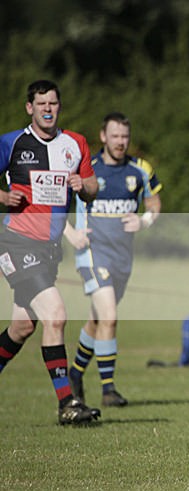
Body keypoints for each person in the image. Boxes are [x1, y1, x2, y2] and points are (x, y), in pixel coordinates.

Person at [0, 79, 101, 424]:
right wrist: (2, 197)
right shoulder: (11, 143)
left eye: (53, 103)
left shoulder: (76, 144)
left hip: (49, 251)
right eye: (41, 103)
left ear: (59, 106)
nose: (47, 109)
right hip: (15, 243)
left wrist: (82, 185)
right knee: (55, 315)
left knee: (22, 328)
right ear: (29, 107)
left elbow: (92, 187)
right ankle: (67, 405)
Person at [63, 112, 162, 407]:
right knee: (109, 316)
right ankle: (108, 389)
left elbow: (154, 202)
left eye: (125, 137)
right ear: (103, 136)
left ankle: (75, 373)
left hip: (122, 256)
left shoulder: (140, 169)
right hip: (92, 252)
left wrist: (144, 221)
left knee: (98, 318)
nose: (120, 142)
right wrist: (70, 233)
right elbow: (54, 205)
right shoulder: (87, 169)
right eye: (115, 136)